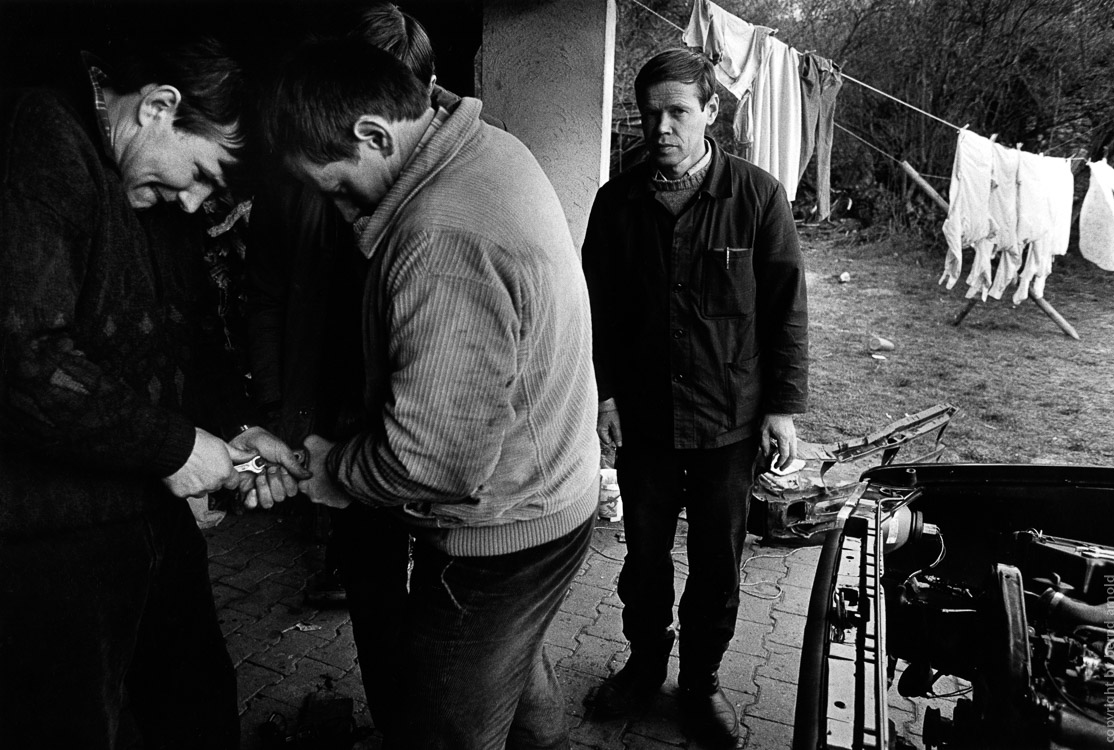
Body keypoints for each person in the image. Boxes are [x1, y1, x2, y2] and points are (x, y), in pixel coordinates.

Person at [261, 37, 600, 749]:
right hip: (556, 498)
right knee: (515, 671)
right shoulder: (491, 146)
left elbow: (434, 462)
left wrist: (332, 472)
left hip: (499, 539)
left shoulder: (439, 235)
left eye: (337, 185)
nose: (344, 210)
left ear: (375, 134)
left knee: (442, 726)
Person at [0, 36, 307, 749]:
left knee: (197, 708)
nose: (197, 201)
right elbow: (21, 358)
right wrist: (176, 448)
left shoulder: (148, 193)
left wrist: (232, 427)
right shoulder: (40, 136)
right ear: (160, 108)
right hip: (49, 544)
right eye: (199, 174)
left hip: (145, 519)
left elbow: (186, 334)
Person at [581, 48, 809, 747]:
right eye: (650, 114)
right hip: (646, 422)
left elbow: (785, 308)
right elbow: (596, 310)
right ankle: (644, 669)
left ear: (711, 112)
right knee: (643, 561)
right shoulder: (615, 203)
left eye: (679, 111)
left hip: (728, 423)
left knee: (718, 565)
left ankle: (701, 684)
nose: (662, 128)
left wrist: (781, 406)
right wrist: (605, 395)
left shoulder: (758, 196)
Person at [244, 2, 442, 734]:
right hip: (339, 413)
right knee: (374, 591)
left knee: (463, 600)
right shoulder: (294, 177)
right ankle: (397, 721)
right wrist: (281, 405)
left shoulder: (450, 177)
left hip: (426, 414)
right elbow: (264, 294)